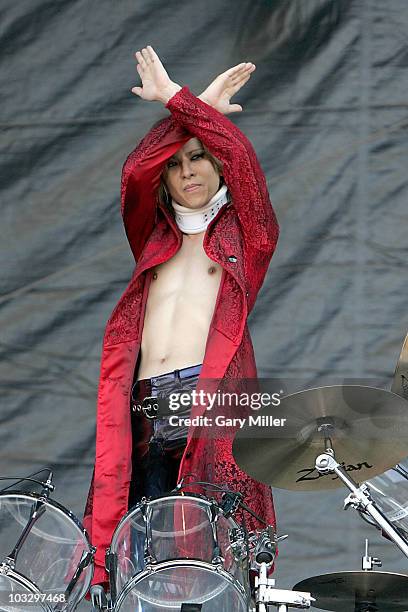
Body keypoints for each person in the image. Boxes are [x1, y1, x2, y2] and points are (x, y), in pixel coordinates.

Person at [84, 46, 280, 588]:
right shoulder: (151, 241)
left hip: (209, 409)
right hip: (143, 415)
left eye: (198, 156)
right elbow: (134, 170)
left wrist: (182, 101)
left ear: (214, 163)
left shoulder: (248, 238)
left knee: (210, 570)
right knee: (137, 566)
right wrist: (195, 112)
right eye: (175, 164)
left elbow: (243, 163)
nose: (187, 170)